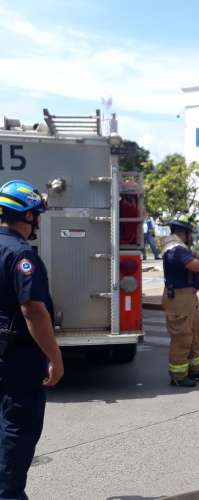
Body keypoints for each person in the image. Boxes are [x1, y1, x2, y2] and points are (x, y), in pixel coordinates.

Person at [0, 180, 64, 498]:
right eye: (36, 215)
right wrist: (55, 358)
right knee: (15, 439)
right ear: (27, 217)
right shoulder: (22, 255)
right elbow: (33, 311)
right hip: (18, 366)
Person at [162, 213, 199, 388]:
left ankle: (196, 370)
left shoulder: (180, 248)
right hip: (179, 298)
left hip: (188, 297)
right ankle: (178, 375)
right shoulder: (176, 249)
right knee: (182, 337)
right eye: (190, 233)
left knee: (195, 334)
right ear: (184, 232)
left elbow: (192, 261)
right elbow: (196, 266)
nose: (191, 236)